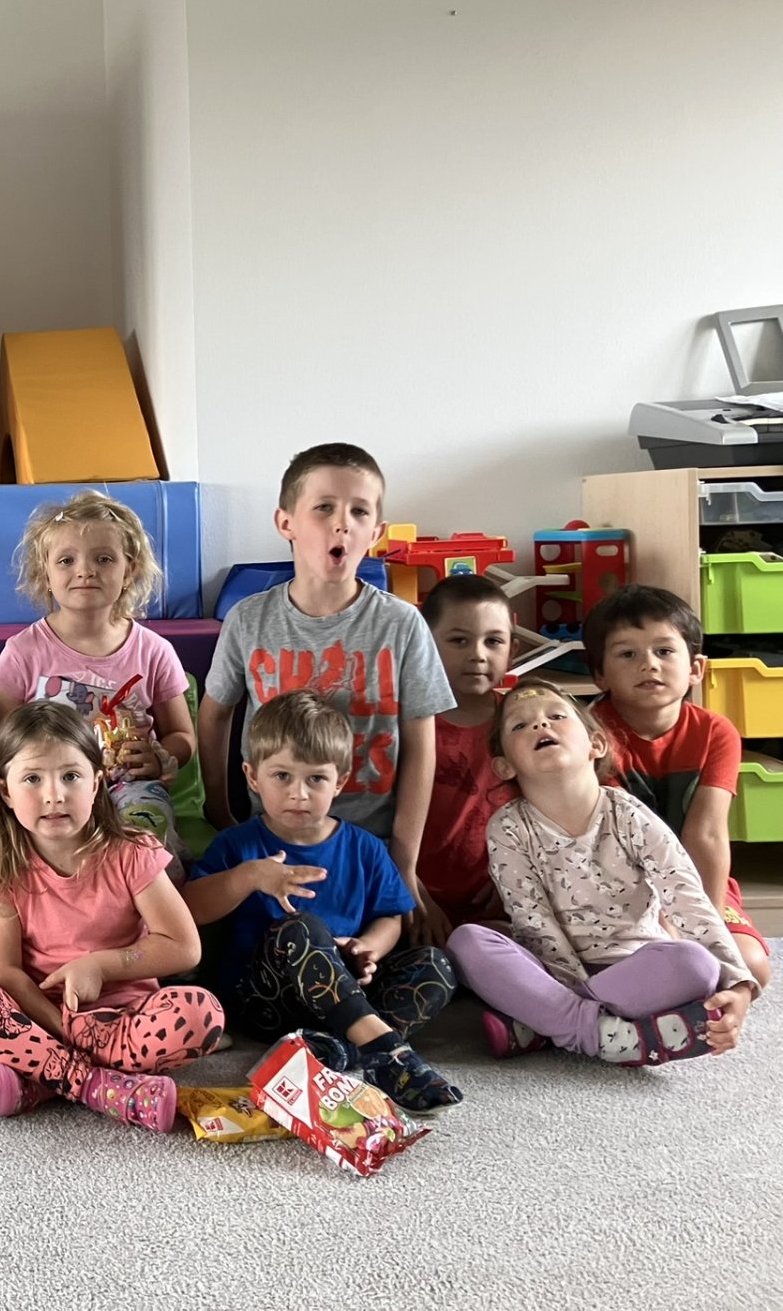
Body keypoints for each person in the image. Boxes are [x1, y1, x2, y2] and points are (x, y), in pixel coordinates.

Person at [198, 442, 453, 936]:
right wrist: (219, 810)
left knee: (412, 960)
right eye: (324, 508)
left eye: (359, 511)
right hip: (274, 841)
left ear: (375, 533)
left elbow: (421, 747)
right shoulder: (249, 620)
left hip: (369, 849)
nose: (342, 524)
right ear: (286, 523)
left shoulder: (402, 625)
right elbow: (214, 714)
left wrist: (405, 864)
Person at [0, 702, 224, 1129]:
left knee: (202, 1013)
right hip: (41, 1019)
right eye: (33, 778)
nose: (54, 795)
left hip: (126, 1017)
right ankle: (96, 1085)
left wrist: (101, 966)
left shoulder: (132, 853)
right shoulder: (0, 869)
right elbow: (5, 972)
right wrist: (62, 1029)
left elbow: (184, 947)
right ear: (5, 792)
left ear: (96, 783)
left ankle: (47, 1078)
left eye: (70, 776)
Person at [448, 679, 758, 1064]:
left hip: (636, 966)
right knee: (466, 942)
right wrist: (568, 984)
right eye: (520, 725)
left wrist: (738, 983)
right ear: (504, 765)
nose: (540, 725)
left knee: (696, 964)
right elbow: (534, 922)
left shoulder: (628, 813)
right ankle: (600, 1033)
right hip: (551, 969)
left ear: (596, 744)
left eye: (556, 716)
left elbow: (685, 896)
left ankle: (546, 1026)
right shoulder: (508, 828)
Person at [182, 690, 462, 1111]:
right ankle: (384, 1049)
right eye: (282, 776)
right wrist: (249, 876)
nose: (299, 793)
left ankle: (341, 1049)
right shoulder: (237, 844)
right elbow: (192, 910)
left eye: (315, 779)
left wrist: (369, 947)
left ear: (340, 782)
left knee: (436, 966)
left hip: (349, 987)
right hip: (267, 1001)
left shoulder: (365, 848)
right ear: (253, 777)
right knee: (302, 925)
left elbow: (391, 917)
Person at [0, 489, 193, 861]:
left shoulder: (154, 651)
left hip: (129, 788)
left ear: (130, 570)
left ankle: (147, 894)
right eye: (66, 560)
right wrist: (34, 770)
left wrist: (160, 756)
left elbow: (183, 737)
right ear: (45, 574)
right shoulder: (25, 650)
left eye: (104, 559)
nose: (85, 570)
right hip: (52, 790)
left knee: (147, 829)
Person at [584, 586, 772, 989]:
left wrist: (704, 921)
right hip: (613, 889)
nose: (649, 664)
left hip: (696, 882)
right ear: (599, 674)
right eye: (627, 654)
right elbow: (610, 846)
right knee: (646, 964)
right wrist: (659, 923)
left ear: (696, 668)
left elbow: (707, 834)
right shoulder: (589, 734)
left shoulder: (715, 732)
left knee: (750, 967)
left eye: (665, 651)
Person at [418, 574, 518, 936]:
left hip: (500, 898)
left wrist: (516, 876)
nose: (478, 654)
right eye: (459, 640)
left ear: (513, 651)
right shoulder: (408, 725)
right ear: (424, 644)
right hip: (415, 898)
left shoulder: (522, 722)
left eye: (493, 641)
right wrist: (410, 890)